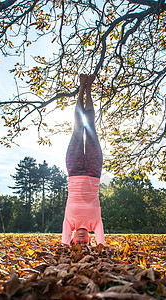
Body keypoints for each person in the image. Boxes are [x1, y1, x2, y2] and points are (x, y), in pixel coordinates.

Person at [62, 73, 105, 246]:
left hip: (74, 170)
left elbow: (63, 246)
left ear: (71, 239)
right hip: (94, 171)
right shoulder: (95, 224)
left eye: (76, 244)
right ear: (90, 239)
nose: (81, 241)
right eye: (85, 244)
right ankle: (89, 88)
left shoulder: (69, 223)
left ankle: (81, 88)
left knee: (78, 127)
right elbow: (101, 246)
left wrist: (66, 247)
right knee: (91, 127)